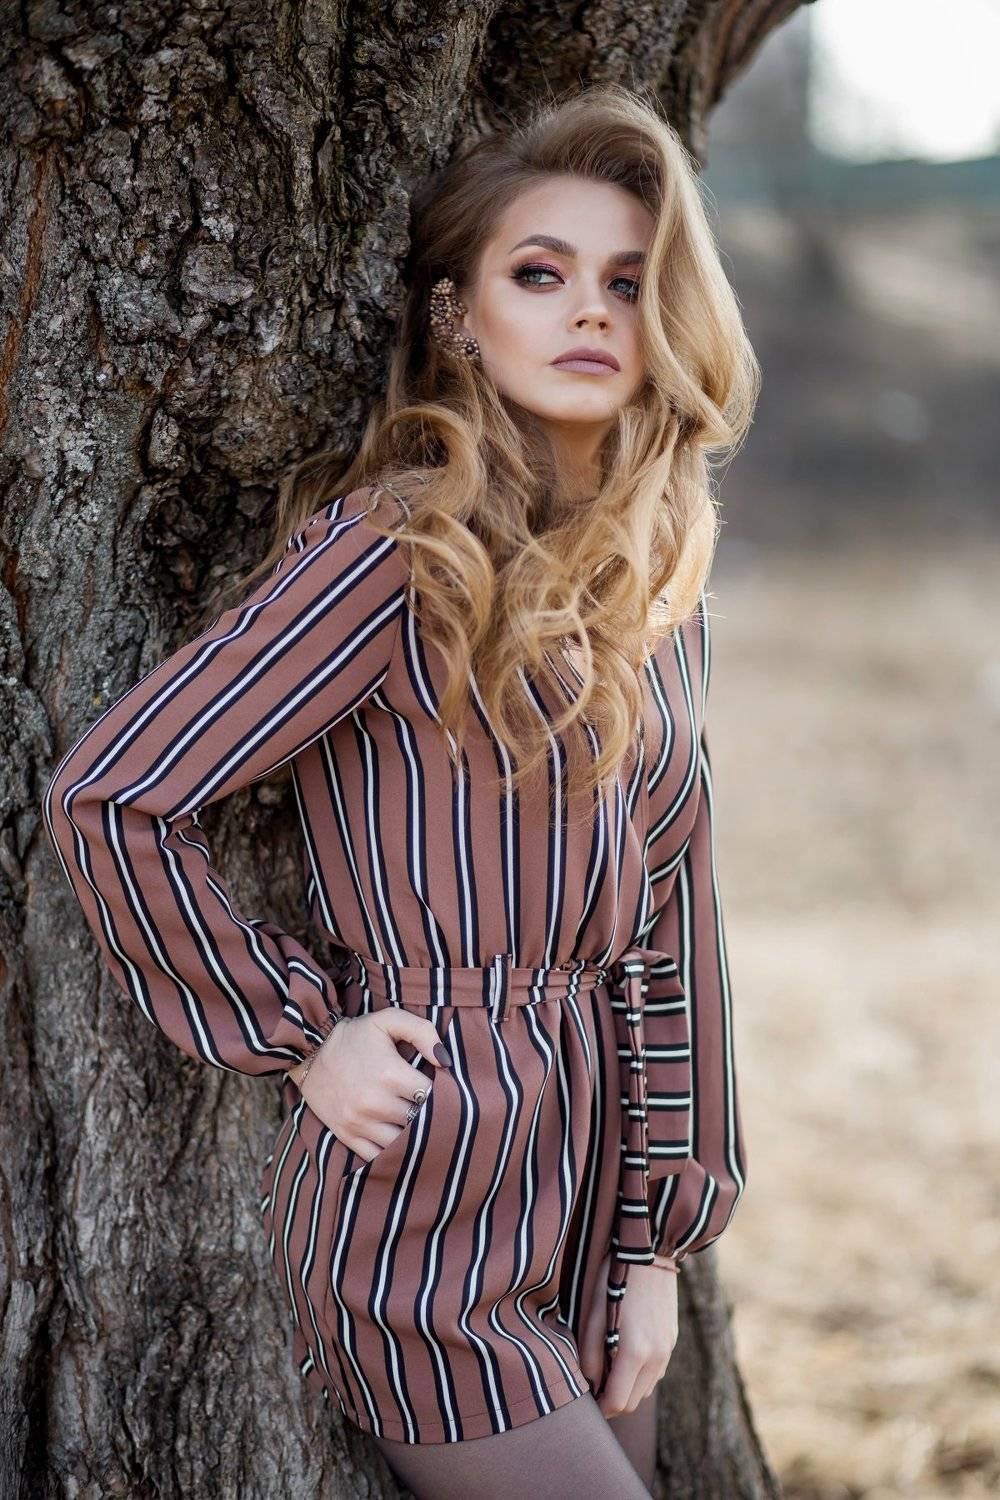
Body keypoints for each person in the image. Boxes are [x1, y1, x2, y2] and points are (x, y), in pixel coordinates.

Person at [42, 82, 757, 1499]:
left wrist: (656, 1249)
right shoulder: (399, 551)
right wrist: (304, 1034)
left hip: (596, 1196)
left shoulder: (655, 591)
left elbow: (674, 930)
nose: (591, 310)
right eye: (539, 274)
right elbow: (114, 797)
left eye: (628, 282)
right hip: (427, 1208)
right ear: (457, 316)